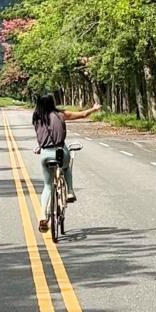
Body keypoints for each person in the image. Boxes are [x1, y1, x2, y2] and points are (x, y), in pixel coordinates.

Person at [32, 93, 101, 232]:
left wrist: (41, 147)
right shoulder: (61, 115)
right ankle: (70, 191)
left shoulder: (37, 118)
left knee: (47, 186)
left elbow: (41, 135)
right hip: (60, 151)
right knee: (66, 168)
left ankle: (42, 216)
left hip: (45, 153)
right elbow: (82, 115)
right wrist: (93, 109)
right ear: (52, 103)